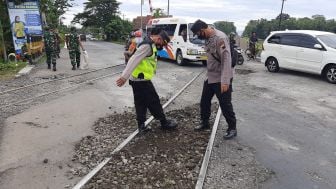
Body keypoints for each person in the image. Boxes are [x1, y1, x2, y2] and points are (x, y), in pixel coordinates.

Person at [116, 30, 178, 133]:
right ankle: (164, 122)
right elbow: (134, 59)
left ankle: (141, 126)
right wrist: (124, 76)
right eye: (163, 43)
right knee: (154, 101)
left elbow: (138, 56)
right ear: (159, 39)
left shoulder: (149, 44)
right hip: (141, 80)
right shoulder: (148, 46)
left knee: (141, 103)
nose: (162, 46)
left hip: (137, 79)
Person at [191, 19, 237, 140]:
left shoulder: (220, 38)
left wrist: (226, 80)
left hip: (222, 76)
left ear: (202, 30)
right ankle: (205, 122)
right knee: (204, 101)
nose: (198, 36)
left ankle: (232, 128)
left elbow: (227, 59)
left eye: (198, 33)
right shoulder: (207, 38)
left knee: (225, 104)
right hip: (211, 76)